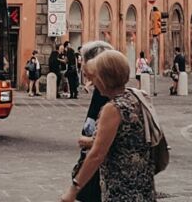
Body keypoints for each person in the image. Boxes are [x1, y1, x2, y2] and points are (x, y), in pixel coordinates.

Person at [62, 50, 155, 202]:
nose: (93, 82)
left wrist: (73, 189)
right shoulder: (136, 98)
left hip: (122, 189)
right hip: (142, 185)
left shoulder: (113, 108)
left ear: (105, 78)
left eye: (96, 76)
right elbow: (126, 139)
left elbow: (97, 154)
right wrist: (91, 141)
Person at [72, 41, 114, 202]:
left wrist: (74, 188)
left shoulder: (112, 101)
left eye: (88, 72)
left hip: (108, 179)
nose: (85, 74)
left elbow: (101, 148)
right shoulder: (101, 90)